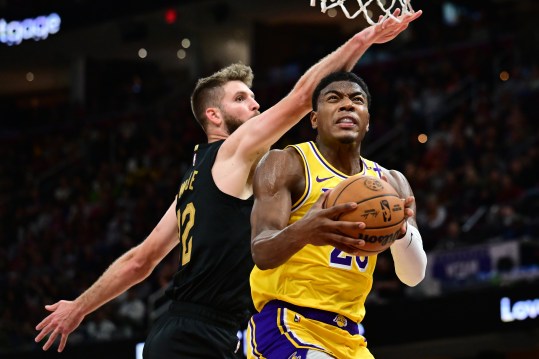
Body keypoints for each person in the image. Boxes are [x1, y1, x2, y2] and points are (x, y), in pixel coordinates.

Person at [34, 9, 422, 358]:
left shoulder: (193, 182)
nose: (254, 105)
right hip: (198, 333)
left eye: (253, 98)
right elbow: (305, 97)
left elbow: (141, 260)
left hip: (202, 330)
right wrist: (364, 38)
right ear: (213, 116)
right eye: (242, 99)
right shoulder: (233, 152)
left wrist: (79, 307)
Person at [247, 71, 428, 358]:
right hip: (287, 324)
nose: (347, 105)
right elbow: (261, 251)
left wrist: (401, 232)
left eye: (357, 100)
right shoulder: (287, 163)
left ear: (367, 119)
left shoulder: (392, 183)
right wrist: (305, 230)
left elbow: (414, 276)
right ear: (315, 119)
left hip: (350, 336)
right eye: (334, 99)